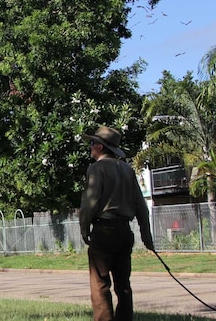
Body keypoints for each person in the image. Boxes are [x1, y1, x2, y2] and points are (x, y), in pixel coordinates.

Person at [79, 126, 155, 321]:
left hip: (104, 231)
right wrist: (147, 237)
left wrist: (85, 228)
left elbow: (90, 203)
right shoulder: (127, 170)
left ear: (101, 147)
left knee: (100, 284)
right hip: (124, 232)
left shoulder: (96, 169)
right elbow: (141, 206)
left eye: (92, 143)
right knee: (123, 285)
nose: (90, 146)